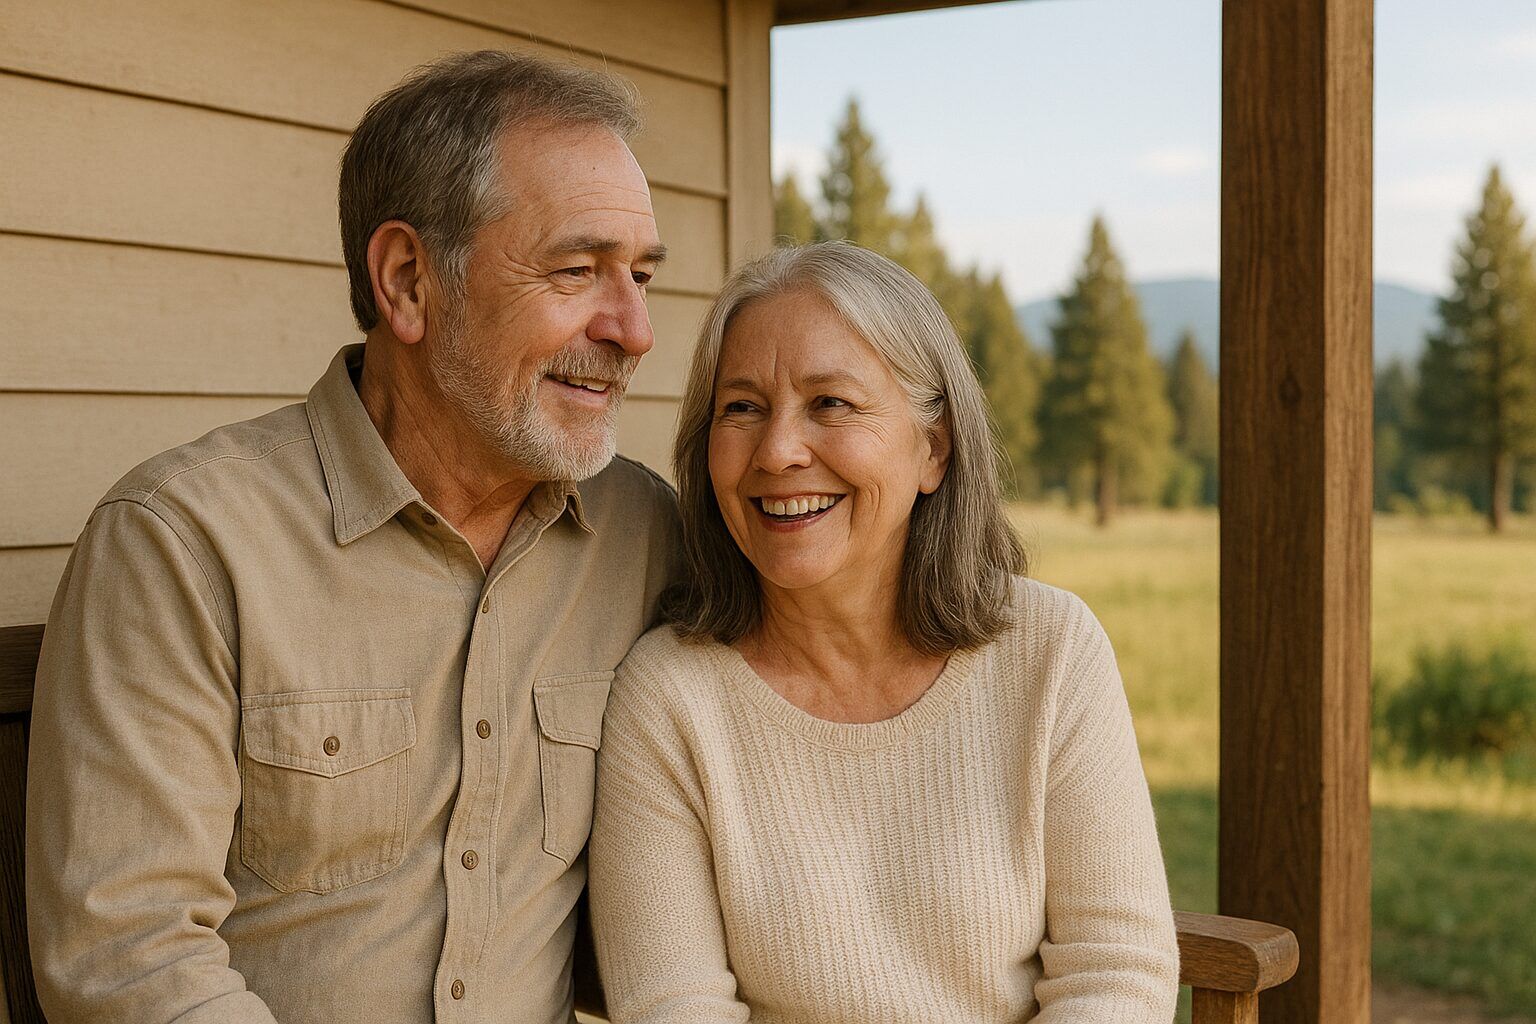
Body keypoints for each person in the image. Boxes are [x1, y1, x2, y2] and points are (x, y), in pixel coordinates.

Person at [26, 50, 679, 1023]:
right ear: (408, 281)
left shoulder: (645, 535)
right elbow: (129, 956)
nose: (634, 328)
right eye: (577, 270)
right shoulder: (183, 545)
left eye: (642, 275)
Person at [588, 241, 1180, 1022]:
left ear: (932, 448)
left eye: (831, 403)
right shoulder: (669, 698)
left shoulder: (1052, 650)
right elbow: (674, 1006)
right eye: (742, 408)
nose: (778, 450)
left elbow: (1115, 974)